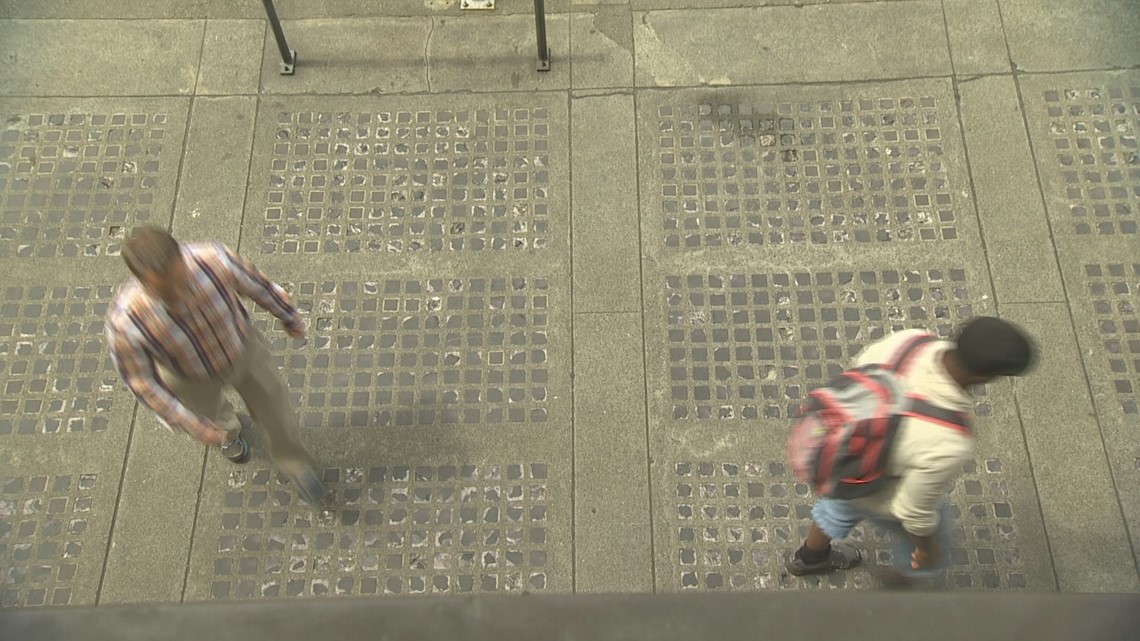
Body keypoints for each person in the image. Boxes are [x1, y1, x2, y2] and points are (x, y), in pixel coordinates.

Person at [786, 317, 1035, 578]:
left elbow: (856, 374)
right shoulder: (949, 440)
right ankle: (902, 586)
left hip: (843, 462)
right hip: (879, 489)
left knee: (838, 506)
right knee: (932, 543)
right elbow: (912, 512)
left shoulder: (909, 341)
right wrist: (927, 550)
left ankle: (810, 558)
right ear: (982, 377)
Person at [105, 226, 326, 506]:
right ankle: (228, 433)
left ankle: (295, 464)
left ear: (183, 256)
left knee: (276, 410)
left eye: (182, 282)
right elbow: (142, 384)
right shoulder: (125, 324)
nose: (179, 296)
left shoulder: (214, 260)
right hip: (188, 376)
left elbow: (258, 286)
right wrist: (195, 426)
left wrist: (288, 316)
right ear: (141, 283)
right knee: (212, 417)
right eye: (166, 293)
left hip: (243, 350)